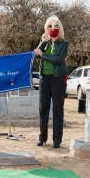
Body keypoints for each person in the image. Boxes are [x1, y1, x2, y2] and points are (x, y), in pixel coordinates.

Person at [34, 15, 69, 148]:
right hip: (44, 78)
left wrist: (43, 55)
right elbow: (37, 54)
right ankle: (42, 137)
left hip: (58, 78)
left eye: (56, 26)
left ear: (60, 28)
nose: (53, 28)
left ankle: (57, 140)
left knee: (58, 109)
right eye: (50, 26)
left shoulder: (64, 43)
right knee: (43, 108)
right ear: (46, 28)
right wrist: (42, 42)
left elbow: (58, 59)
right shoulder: (45, 42)